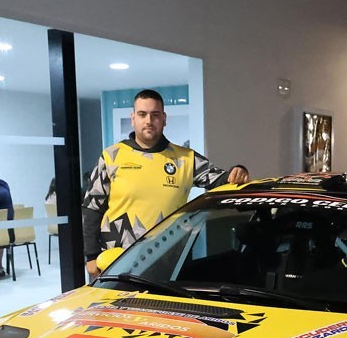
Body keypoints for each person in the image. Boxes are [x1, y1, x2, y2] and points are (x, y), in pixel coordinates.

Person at [82, 89, 250, 277]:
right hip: (116, 261)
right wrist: (91, 256)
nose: (148, 121)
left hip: (168, 260)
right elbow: (91, 209)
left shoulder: (185, 158)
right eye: (142, 114)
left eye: (155, 115)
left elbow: (222, 179)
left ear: (164, 119)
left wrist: (238, 170)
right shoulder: (111, 156)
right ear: (133, 118)